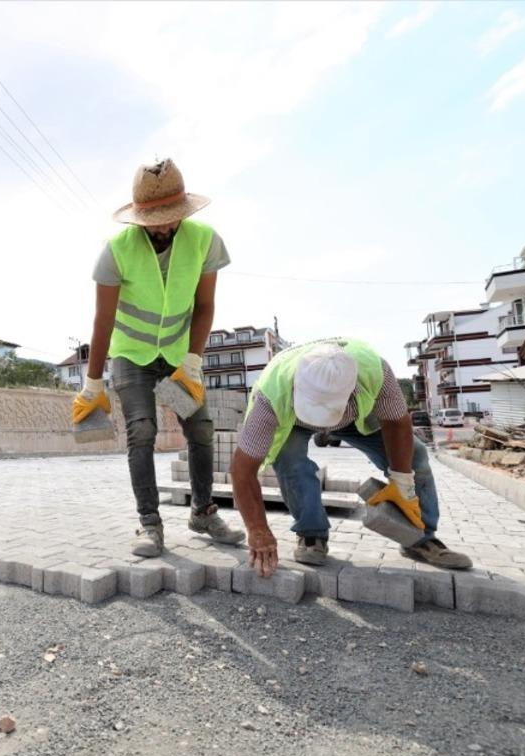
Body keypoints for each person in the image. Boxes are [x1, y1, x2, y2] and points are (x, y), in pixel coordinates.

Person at [71, 158, 242, 558]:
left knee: (200, 428)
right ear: (139, 216)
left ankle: (203, 511)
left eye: (171, 217)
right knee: (142, 430)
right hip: (132, 355)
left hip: (180, 354)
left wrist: (194, 361)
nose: (164, 227)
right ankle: (149, 523)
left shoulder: (204, 240)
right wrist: (93, 382)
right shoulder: (116, 251)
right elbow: (104, 319)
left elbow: (204, 306)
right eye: (155, 220)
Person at [230, 338, 473, 577]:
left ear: (351, 389)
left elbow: (397, 424)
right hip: (293, 420)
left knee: (415, 456)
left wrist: (403, 482)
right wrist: (258, 529)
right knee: (290, 459)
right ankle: (311, 534)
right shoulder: (270, 395)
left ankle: (420, 538)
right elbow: (242, 470)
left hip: (352, 416)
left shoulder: (375, 371)